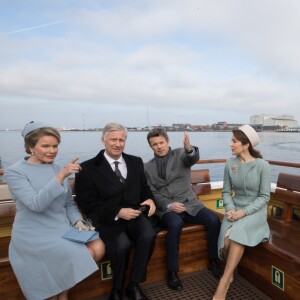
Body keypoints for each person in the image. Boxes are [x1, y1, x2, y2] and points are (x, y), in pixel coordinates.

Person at [4, 121, 105, 300]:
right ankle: (59, 296)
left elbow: (69, 204)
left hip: (61, 228)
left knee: (98, 247)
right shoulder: (15, 172)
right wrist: (60, 176)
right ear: (30, 147)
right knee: (77, 255)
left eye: (55, 146)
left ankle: (62, 292)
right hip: (33, 233)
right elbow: (35, 204)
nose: (52, 151)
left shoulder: (58, 169)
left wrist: (77, 221)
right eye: (45, 146)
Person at [75, 122, 157, 300]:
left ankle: (134, 285)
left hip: (134, 215)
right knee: (122, 245)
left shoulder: (135, 162)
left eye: (122, 140)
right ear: (103, 140)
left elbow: (143, 188)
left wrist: (150, 198)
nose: (118, 144)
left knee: (149, 235)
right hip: (107, 219)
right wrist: (118, 212)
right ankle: (116, 289)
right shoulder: (87, 168)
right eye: (113, 139)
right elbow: (87, 203)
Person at [144, 128, 222, 291]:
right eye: (155, 144)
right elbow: (153, 193)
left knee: (214, 220)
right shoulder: (147, 167)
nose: (159, 147)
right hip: (166, 209)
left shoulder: (181, 154)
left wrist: (189, 149)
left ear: (168, 141)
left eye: (161, 142)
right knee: (175, 224)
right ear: (151, 147)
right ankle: (172, 272)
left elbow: (192, 157)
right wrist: (168, 205)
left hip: (190, 204)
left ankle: (213, 260)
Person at [212, 125, 271, 300]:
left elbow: (264, 197)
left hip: (256, 211)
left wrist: (243, 213)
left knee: (236, 234)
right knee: (227, 242)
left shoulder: (262, 166)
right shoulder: (230, 164)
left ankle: (223, 282)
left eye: (234, 141)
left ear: (246, 145)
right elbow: (225, 192)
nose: (231, 144)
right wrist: (230, 209)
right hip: (234, 209)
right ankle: (229, 275)